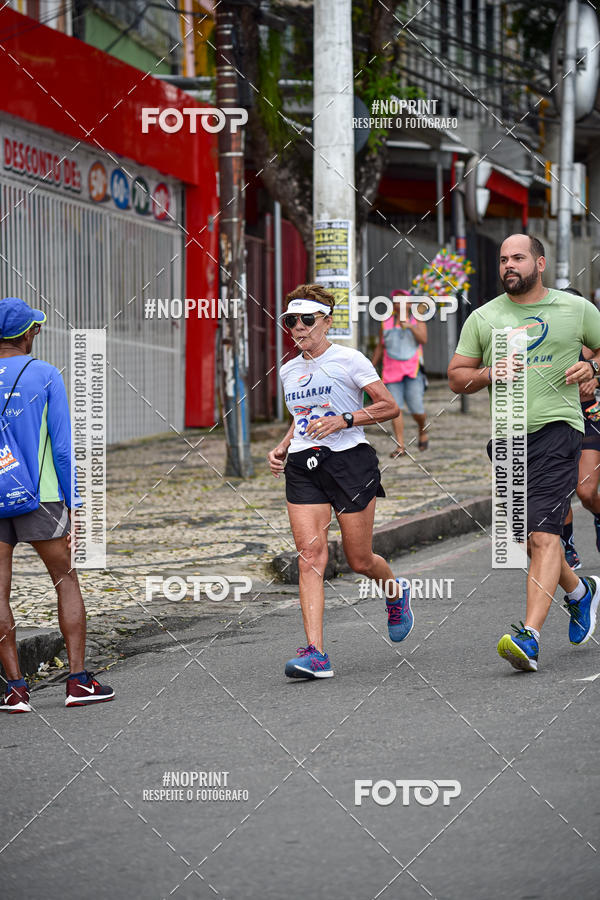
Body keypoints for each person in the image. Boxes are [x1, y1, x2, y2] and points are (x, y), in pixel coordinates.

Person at [448, 234, 600, 672]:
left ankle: (529, 636)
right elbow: (456, 376)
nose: (508, 265)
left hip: (559, 430)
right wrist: (488, 372)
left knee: (543, 535)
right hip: (508, 436)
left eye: (518, 257)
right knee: (523, 540)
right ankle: (581, 592)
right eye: (503, 260)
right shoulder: (484, 317)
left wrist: (592, 366)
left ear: (540, 263)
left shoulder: (575, 309)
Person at [268, 284, 414, 679]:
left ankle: (395, 592)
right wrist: (283, 445)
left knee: (359, 559)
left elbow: (388, 406)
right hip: (304, 465)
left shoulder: (350, 359)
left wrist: (345, 420)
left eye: (307, 320)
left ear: (326, 322)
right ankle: (315, 655)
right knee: (310, 556)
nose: (298, 327)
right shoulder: (289, 370)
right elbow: (302, 416)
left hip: (350, 462)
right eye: (291, 321)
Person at [0, 297, 114, 712]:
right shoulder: (45, 374)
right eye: (35, 327)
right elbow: (63, 449)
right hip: (42, 496)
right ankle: (78, 682)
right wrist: (75, 503)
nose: (38, 332)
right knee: (65, 580)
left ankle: (15, 690)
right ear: (26, 334)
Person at [559, 290, 600, 569]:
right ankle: (567, 547)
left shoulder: (591, 341)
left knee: (585, 492)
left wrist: (595, 377)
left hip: (588, 418)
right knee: (560, 491)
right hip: (555, 421)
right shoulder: (543, 339)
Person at [371, 290, 429, 457]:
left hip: (413, 371)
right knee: (395, 409)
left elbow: (423, 339)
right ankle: (400, 446)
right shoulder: (386, 322)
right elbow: (380, 346)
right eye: (397, 301)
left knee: (417, 410)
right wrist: (371, 367)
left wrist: (410, 326)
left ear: (410, 304)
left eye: (404, 301)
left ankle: (422, 429)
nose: (400, 304)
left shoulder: (417, 319)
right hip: (391, 372)